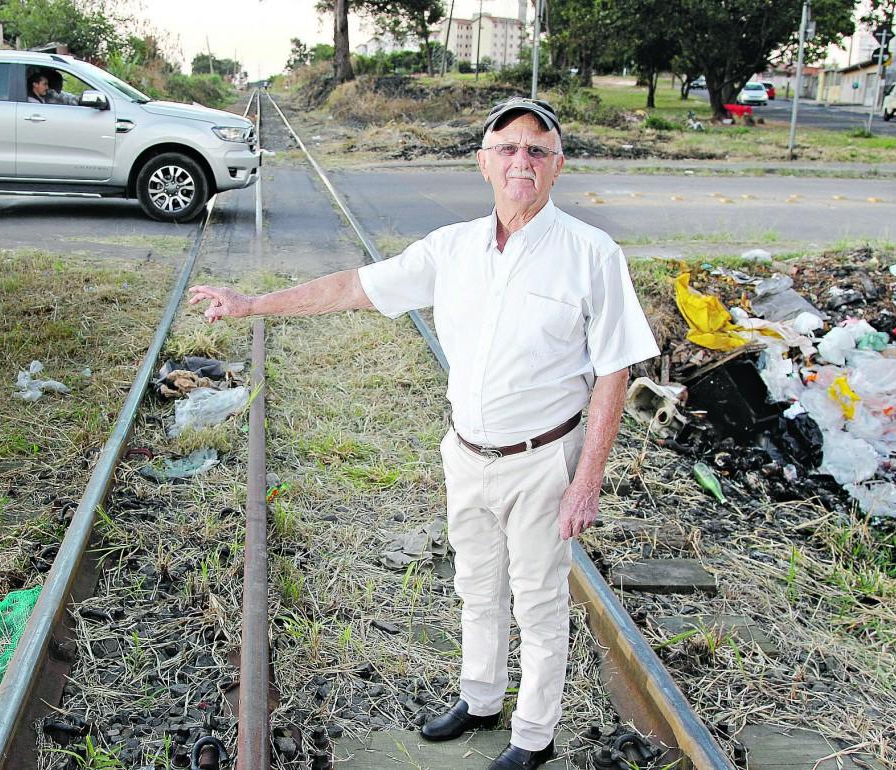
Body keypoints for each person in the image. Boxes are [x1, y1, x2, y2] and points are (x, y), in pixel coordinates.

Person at [188, 96, 659, 770]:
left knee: (539, 602)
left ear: (557, 166)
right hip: (467, 453)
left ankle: (534, 736)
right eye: (507, 148)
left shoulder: (591, 254)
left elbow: (615, 370)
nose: (520, 161)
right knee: (477, 582)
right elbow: (354, 287)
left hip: (542, 459)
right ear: (483, 163)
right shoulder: (453, 248)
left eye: (537, 150)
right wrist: (254, 303)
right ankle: (481, 697)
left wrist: (587, 480)